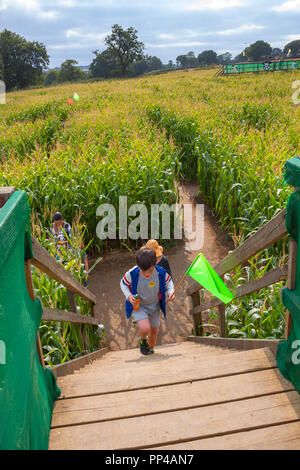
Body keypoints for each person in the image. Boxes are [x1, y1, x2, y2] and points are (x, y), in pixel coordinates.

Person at [120, 247, 175, 355]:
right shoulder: (132, 273)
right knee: (145, 328)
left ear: (155, 264)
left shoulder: (160, 273)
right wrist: (128, 295)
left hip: (155, 306)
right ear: (138, 266)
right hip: (138, 305)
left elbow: (169, 282)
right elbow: (123, 283)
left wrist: (171, 291)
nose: (146, 274)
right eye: (142, 271)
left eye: (149, 270)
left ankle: (150, 350)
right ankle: (143, 340)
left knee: (154, 331)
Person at [50, 212, 89, 282]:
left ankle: (84, 276)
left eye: (60, 222)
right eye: (56, 222)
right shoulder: (53, 227)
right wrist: (53, 242)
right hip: (57, 249)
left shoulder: (67, 226)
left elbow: (70, 240)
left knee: (81, 256)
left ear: (62, 220)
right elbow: (53, 239)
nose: (58, 224)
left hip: (68, 248)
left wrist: (63, 243)